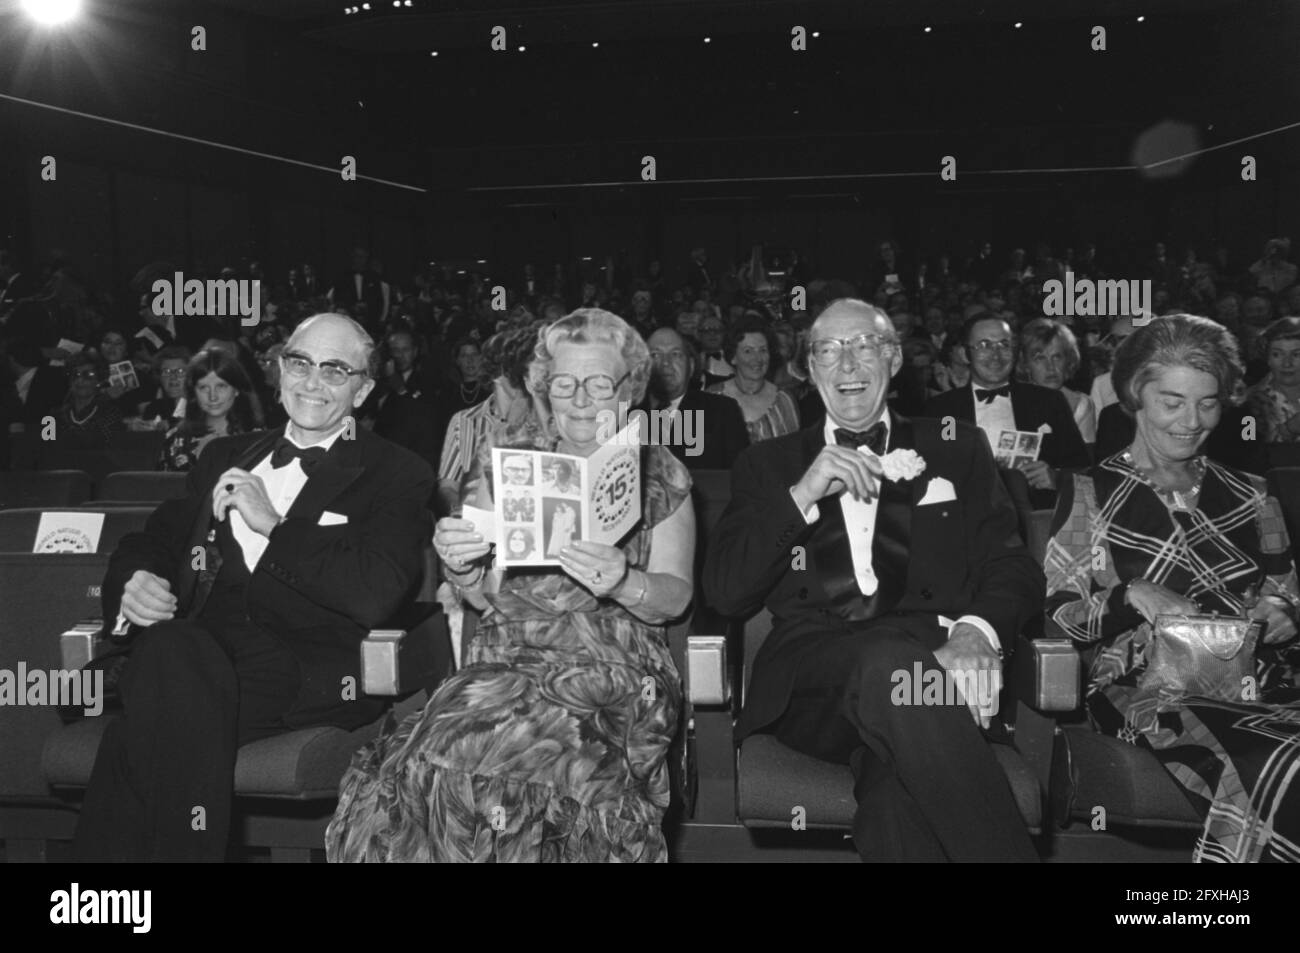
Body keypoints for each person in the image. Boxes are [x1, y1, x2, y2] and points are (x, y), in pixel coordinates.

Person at [328, 308, 695, 863]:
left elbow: (677, 598)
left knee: (534, 750)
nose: (579, 398)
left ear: (629, 390)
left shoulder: (659, 471)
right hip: (508, 657)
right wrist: (464, 566)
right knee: (436, 754)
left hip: (616, 663)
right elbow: (480, 593)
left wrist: (623, 581)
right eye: (564, 382)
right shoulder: (507, 467)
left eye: (598, 382)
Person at [73, 313, 435, 861]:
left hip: (299, 666)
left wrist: (276, 526)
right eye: (301, 363)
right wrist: (135, 582)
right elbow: (152, 540)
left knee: (145, 720)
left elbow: (374, 591)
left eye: (336, 371)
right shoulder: (225, 454)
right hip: (197, 655)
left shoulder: (398, 473)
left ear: (362, 391)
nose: (313, 382)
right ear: (279, 370)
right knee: (175, 657)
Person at [703, 299, 1041, 862]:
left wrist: (976, 632)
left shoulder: (955, 446)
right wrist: (803, 494)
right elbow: (726, 592)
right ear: (809, 370)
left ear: (892, 358)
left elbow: (1013, 566)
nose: (848, 364)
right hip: (815, 686)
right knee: (890, 661)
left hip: (930, 685)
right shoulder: (767, 464)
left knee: (896, 802)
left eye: (864, 346)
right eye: (829, 351)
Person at [1042, 314, 1300, 862]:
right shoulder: (1089, 490)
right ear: (1135, 396)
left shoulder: (1255, 494)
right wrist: (1130, 594)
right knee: (1281, 761)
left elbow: (1287, 591)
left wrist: (1283, 610)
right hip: (1146, 691)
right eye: (1172, 402)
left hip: (1263, 679)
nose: (1192, 421)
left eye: (1207, 403)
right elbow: (1060, 616)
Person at [923, 312, 1090, 508]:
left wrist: (1055, 477)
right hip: (966, 522)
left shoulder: (1048, 401)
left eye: (1004, 345)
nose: (996, 355)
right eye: (984, 345)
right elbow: (933, 468)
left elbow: (1083, 468)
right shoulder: (944, 410)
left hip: (1034, 522)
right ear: (964, 354)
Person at [436, 325, 538, 513]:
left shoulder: (543, 422)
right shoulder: (464, 421)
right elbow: (448, 485)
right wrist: (463, 516)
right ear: (497, 373)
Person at [645, 327, 749, 471]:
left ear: (691, 366)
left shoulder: (722, 411)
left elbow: (741, 475)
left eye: (675, 354)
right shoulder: (624, 415)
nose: (665, 363)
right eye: (655, 355)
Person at [158, 348, 257, 472]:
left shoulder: (257, 438)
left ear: (236, 389)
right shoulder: (176, 439)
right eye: (203, 387)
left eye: (221, 386)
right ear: (193, 391)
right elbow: (162, 487)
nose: (212, 396)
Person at [706, 318, 800, 443]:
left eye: (763, 350)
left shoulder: (784, 400)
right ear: (733, 357)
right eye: (748, 351)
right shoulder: (712, 397)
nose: (757, 358)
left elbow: (796, 453)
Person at [1018, 318, 1098, 449]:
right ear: (1025, 364)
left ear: (1068, 360)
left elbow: (1084, 461)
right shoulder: (1012, 400)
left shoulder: (1081, 404)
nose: (1050, 367)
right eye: (1040, 358)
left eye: (1057, 357)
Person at [54, 353, 126, 450]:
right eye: (75, 375)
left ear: (99, 380)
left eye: (88, 375)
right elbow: (45, 448)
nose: (80, 380)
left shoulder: (110, 413)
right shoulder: (55, 414)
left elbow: (105, 449)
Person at [1246, 317, 1300, 442]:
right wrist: (1290, 429)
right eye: (1277, 354)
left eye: (1297, 354)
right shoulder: (1250, 403)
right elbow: (1246, 452)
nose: (1287, 363)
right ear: (1267, 358)